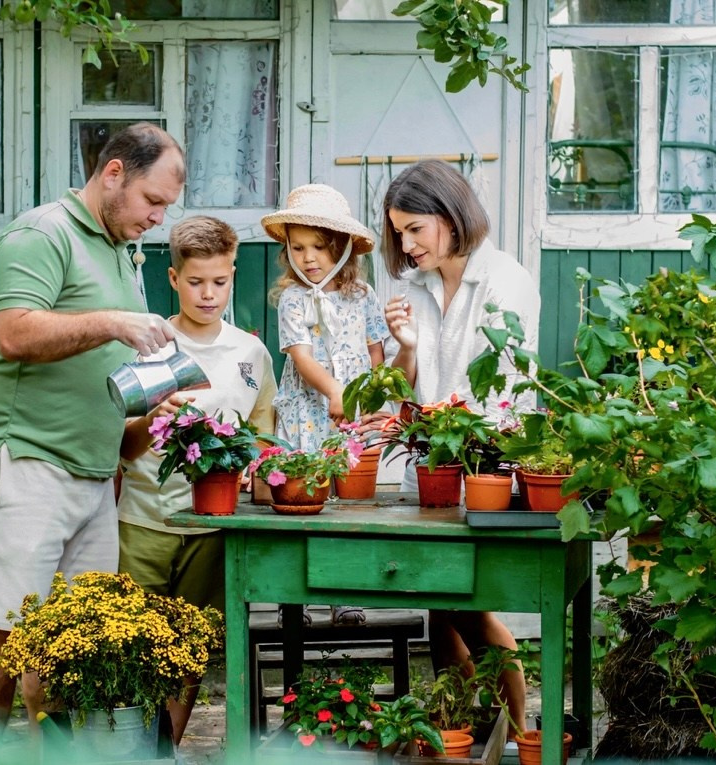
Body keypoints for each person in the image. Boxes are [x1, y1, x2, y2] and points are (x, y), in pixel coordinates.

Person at [0, 123, 184, 743]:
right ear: (113, 173)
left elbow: (100, 371)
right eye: (152, 201)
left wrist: (154, 404)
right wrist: (114, 322)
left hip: (92, 472)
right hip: (30, 459)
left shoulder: (120, 250)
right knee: (6, 631)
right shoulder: (42, 233)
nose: (159, 219)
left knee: (73, 641)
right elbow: (15, 333)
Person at [378, 159, 540, 733]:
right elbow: (401, 387)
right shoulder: (413, 288)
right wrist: (401, 346)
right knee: (438, 610)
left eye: (415, 229)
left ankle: (519, 733)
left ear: (451, 216)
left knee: (468, 608)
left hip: (484, 468)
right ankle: (463, 730)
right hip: (428, 471)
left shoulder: (504, 281)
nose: (406, 242)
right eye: (398, 232)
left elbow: (503, 393)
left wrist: (435, 429)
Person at [116, 215, 277, 745]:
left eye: (220, 281)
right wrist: (153, 411)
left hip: (214, 532)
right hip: (145, 522)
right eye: (195, 282)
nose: (208, 294)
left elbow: (261, 441)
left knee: (189, 653)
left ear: (234, 273)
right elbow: (123, 449)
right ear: (172, 278)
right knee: (136, 650)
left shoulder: (251, 353)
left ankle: (165, 752)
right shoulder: (150, 348)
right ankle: (131, 750)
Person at [262, 183, 390, 627]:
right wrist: (334, 391)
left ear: (341, 249)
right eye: (297, 247)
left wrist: (368, 395)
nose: (308, 257)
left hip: (349, 418)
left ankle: (343, 592)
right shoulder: (293, 299)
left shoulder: (363, 295)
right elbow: (301, 355)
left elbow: (376, 350)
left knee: (345, 504)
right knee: (300, 497)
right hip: (308, 413)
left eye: (318, 246)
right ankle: (290, 599)